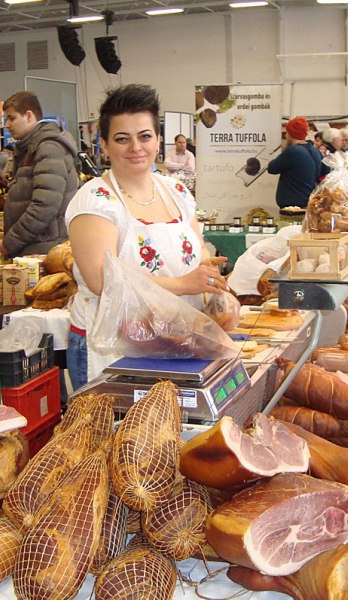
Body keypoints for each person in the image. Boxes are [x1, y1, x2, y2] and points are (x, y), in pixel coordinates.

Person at [65, 84, 228, 389]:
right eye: (122, 139)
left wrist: (208, 270)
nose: (135, 148)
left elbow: (198, 248)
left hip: (177, 340)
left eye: (144, 136)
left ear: (158, 140)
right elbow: (103, 281)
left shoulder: (176, 191)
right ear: (104, 144)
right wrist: (181, 285)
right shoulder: (95, 201)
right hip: (114, 350)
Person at [0, 91, 79, 259]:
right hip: (35, 247)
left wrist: (10, 242)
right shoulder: (29, 149)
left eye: (12, 118)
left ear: (29, 116)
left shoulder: (47, 149)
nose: (7, 125)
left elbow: (44, 206)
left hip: (44, 250)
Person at [267, 117, 326, 209]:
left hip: (293, 208)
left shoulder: (293, 151)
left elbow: (272, 168)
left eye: (287, 133)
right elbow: (325, 171)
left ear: (291, 134)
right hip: (310, 202)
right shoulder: (316, 151)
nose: (286, 136)